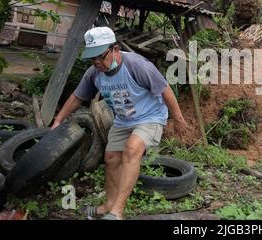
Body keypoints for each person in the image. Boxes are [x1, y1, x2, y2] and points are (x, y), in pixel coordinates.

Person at [51, 26, 188, 220]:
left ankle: (117, 212)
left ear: (115, 49)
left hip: (151, 116)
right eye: (92, 58)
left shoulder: (137, 65)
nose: (97, 62)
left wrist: (179, 119)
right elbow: (76, 97)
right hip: (123, 120)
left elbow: (165, 90)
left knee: (132, 149)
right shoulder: (93, 73)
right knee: (111, 158)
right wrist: (57, 120)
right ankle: (108, 204)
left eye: (100, 56)